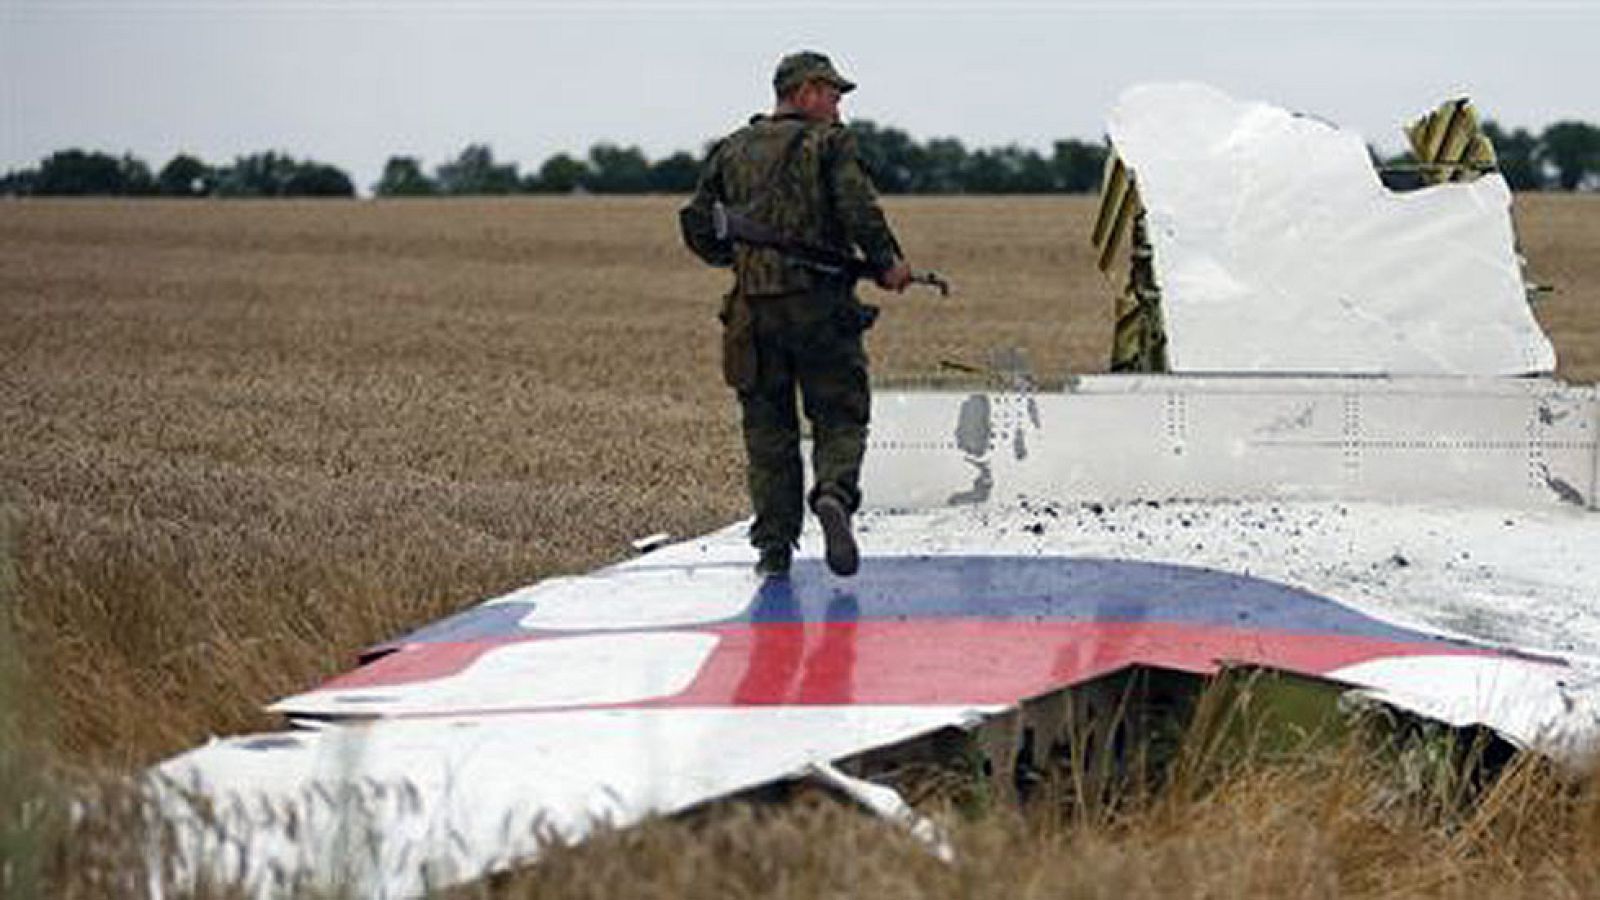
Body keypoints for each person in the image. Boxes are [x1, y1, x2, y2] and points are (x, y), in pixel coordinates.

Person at [680, 50, 913, 579]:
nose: (838, 107)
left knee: (768, 433)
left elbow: (696, 222)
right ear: (806, 92)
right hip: (820, 307)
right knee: (839, 413)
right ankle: (832, 494)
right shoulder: (828, 144)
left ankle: (774, 549)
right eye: (833, 95)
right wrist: (887, 263)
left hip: (751, 313)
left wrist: (737, 260)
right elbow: (859, 209)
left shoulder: (731, 150)